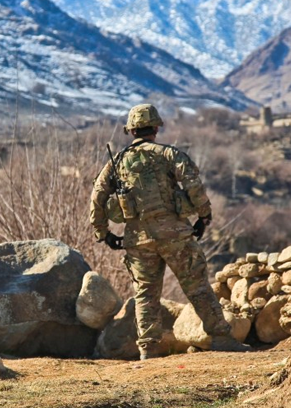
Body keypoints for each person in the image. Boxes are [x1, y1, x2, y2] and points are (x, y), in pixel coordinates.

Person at [89, 104, 250, 359]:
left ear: (131, 131)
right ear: (155, 128)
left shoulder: (116, 162)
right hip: (176, 236)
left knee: (145, 294)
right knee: (197, 287)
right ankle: (221, 338)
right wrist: (204, 215)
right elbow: (193, 183)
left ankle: (148, 349)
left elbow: (97, 196)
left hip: (138, 240)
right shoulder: (169, 154)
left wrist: (103, 233)